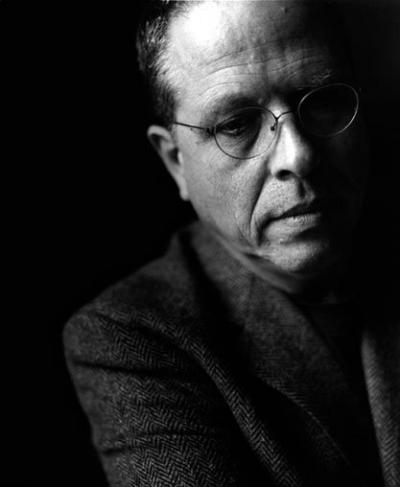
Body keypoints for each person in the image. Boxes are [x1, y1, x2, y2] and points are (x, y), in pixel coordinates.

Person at [64, 1, 399, 486]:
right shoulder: (132, 337)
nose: (298, 156)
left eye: (322, 99)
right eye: (237, 125)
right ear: (175, 161)